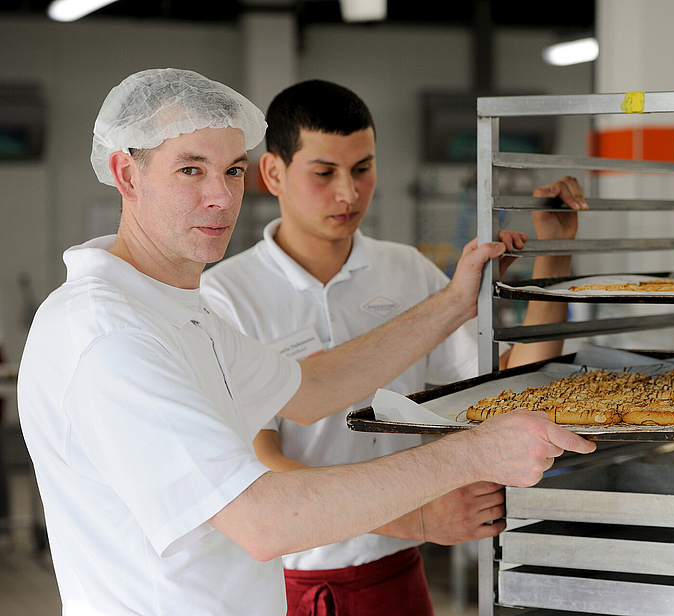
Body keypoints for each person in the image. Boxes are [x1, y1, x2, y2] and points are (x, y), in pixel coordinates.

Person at [16, 68, 596, 616]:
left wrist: (451, 303)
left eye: (232, 170)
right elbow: (263, 522)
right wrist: (470, 456)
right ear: (126, 174)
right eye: (190, 170)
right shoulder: (111, 335)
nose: (220, 197)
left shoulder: (174, 311)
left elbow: (309, 389)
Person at [200, 79, 587, 616]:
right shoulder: (227, 298)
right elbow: (262, 466)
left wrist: (554, 256)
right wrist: (417, 517)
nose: (349, 193)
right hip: (284, 587)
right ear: (273, 173)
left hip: (399, 579)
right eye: (324, 173)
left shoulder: (405, 271)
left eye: (363, 169)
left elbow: (510, 385)